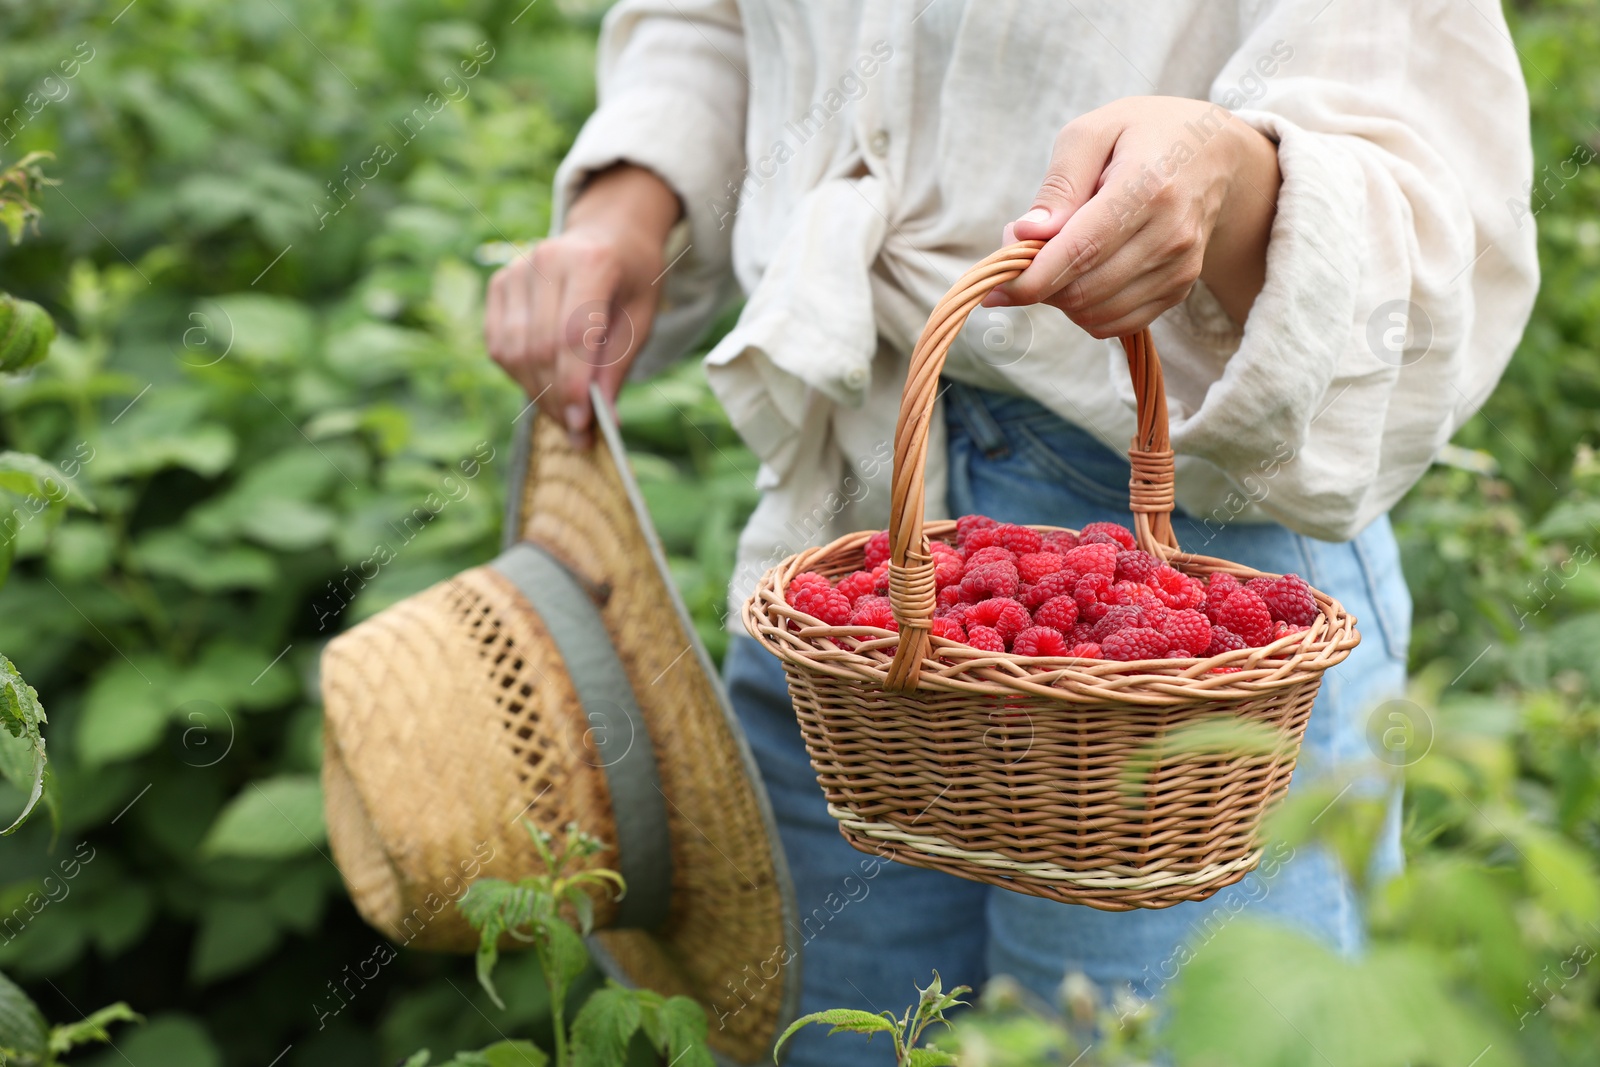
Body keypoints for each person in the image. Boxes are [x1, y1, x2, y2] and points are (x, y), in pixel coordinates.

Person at [484, 4, 1537, 1064]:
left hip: (1183, 602)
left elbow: (1433, 177)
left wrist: (1228, 175)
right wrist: (628, 211)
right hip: (857, 566)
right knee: (824, 1038)